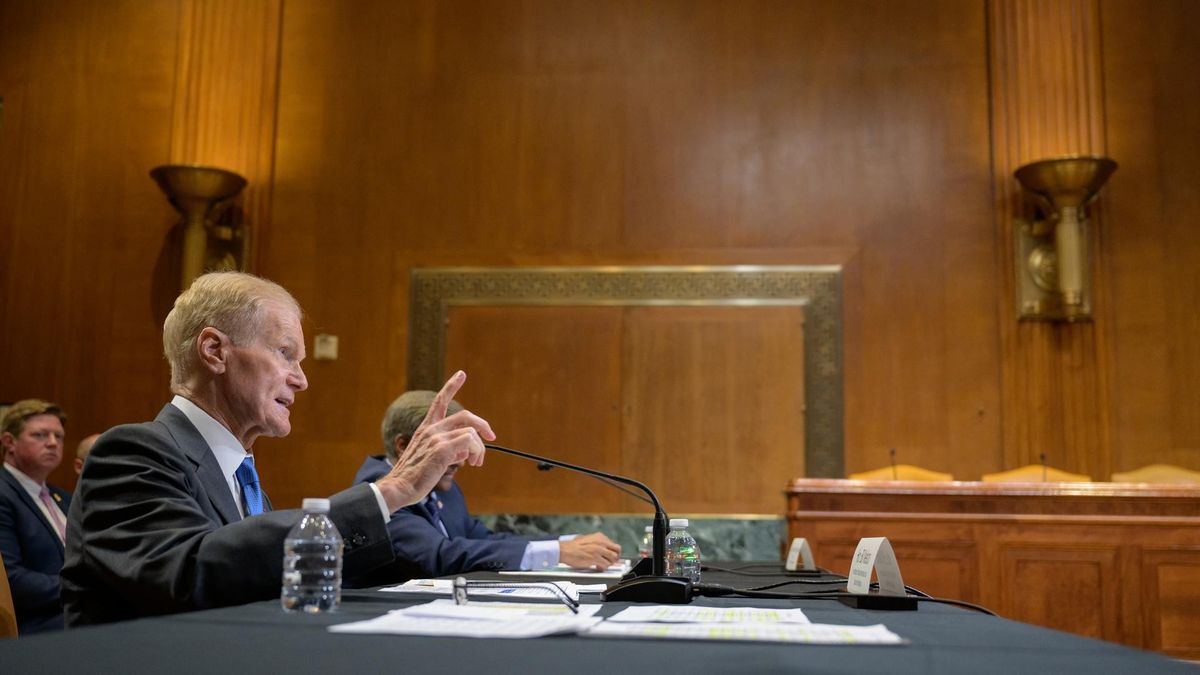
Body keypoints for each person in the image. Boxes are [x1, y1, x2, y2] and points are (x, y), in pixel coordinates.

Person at [61, 271, 494, 625]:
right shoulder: (131, 452)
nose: (301, 379)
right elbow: (190, 576)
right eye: (285, 353)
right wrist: (393, 489)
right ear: (214, 351)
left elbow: (264, 578)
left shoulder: (240, 475)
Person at [350, 390, 620, 584]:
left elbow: (485, 541)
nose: (461, 461)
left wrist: (566, 543)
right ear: (403, 445)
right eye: (451, 446)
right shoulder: (378, 491)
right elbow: (439, 557)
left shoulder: (446, 491)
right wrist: (559, 553)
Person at [0, 399, 72, 634]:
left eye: (58, 436)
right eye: (40, 435)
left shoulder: (62, 497)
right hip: (36, 624)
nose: (53, 443)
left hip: (72, 611)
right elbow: (11, 580)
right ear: (9, 442)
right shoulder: (3, 494)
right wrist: (81, 587)